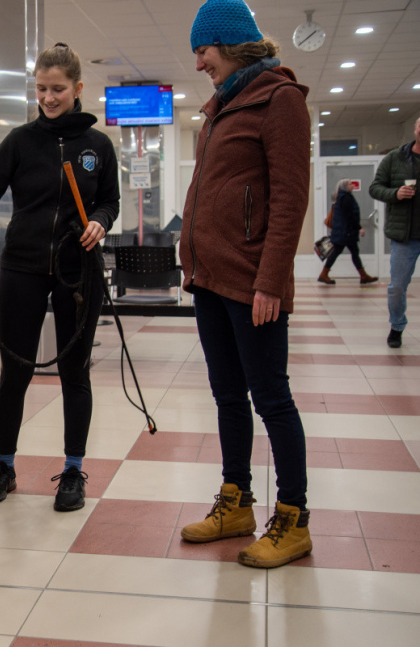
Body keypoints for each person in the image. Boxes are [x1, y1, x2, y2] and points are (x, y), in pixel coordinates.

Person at [0, 43, 119, 512]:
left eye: (58, 89)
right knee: (15, 374)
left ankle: (73, 471)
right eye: (41, 89)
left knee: (75, 373)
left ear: (78, 89)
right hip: (21, 269)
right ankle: (5, 465)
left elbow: (110, 200)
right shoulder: (19, 141)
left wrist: (100, 218)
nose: (49, 98)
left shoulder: (98, 146)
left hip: (78, 272)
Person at [178, 0, 312, 568]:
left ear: (230, 43)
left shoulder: (280, 101)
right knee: (227, 396)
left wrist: (271, 281)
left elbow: (288, 200)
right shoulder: (221, 107)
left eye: (203, 51)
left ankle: (293, 518)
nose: (200, 63)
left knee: (272, 399)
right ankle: (235, 502)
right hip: (210, 279)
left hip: (253, 283)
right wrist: (190, 255)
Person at [369, 116, 420, 349]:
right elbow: (375, 188)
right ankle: (397, 326)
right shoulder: (395, 158)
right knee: (397, 286)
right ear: (416, 129)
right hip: (405, 235)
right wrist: (396, 194)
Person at [318, 178, 377, 285]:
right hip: (346, 232)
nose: (352, 186)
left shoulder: (341, 197)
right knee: (346, 253)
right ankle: (362, 276)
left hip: (343, 232)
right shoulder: (346, 198)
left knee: (348, 252)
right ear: (345, 186)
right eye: (350, 184)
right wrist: (359, 227)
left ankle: (363, 276)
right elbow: (350, 215)